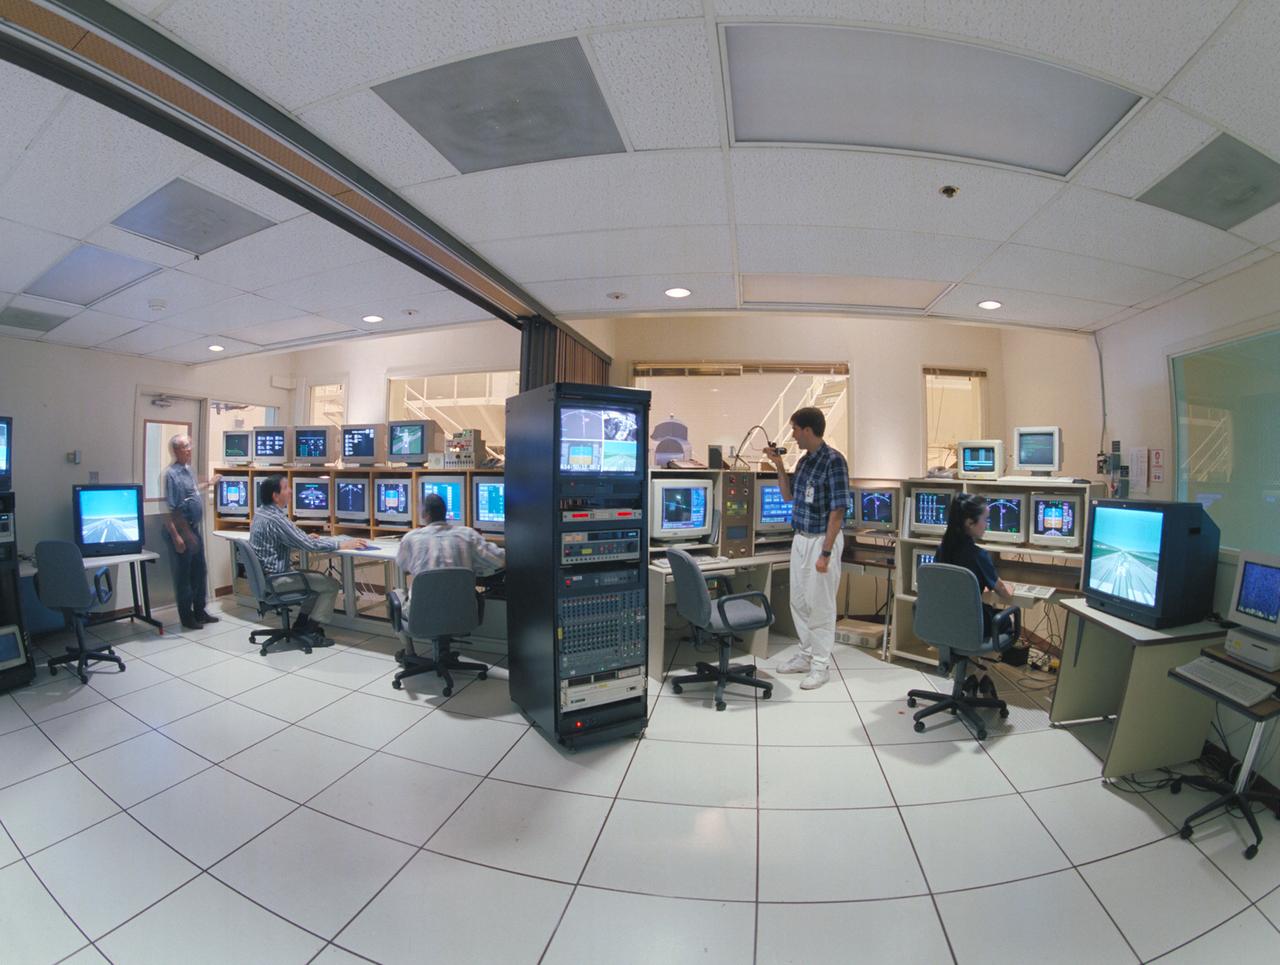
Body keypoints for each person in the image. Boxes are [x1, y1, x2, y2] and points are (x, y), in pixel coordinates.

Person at [767, 407, 850, 690]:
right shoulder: (803, 462)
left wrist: (826, 553)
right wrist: (778, 465)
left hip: (821, 540)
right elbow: (787, 495)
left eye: (794, 429)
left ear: (807, 430)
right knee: (799, 601)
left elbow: (838, 510)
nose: (792, 434)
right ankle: (805, 655)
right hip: (801, 538)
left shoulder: (834, 462)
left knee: (821, 606)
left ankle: (820, 666)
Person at [249, 475, 368, 637]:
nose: (290, 491)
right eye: (285, 488)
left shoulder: (261, 513)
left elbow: (285, 540)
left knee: (317, 580)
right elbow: (309, 545)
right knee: (330, 584)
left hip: (267, 578)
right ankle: (310, 631)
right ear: (275, 496)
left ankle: (301, 625)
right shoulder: (276, 519)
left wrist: (305, 537)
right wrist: (341, 544)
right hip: (277, 580)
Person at [394, 493, 505, 621]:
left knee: (398, 593)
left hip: (421, 615)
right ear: (445, 512)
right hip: (462, 613)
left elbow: (403, 565)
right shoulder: (468, 535)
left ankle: (408, 641)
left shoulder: (411, 538)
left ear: (425, 514)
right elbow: (499, 560)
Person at [933, 492, 1019, 641]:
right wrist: (1009, 587)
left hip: (944, 621)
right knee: (1007, 620)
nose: (987, 524)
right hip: (970, 625)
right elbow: (1004, 593)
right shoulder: (979, 556)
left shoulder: (942, 550)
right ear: (969, 522)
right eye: (985, 519)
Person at [162, 434, 220, 631]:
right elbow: (170, 509)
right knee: (184, 577)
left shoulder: (188, 470)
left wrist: (210, 482)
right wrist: (179, 536)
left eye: (190, 446)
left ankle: (200, 611)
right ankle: (187, 618)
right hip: (181, 531)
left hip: (192, 530)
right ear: (176, 450)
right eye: (186, 447)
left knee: (199, 571)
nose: (190, 450)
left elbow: (192, 491)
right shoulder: (171, 474)